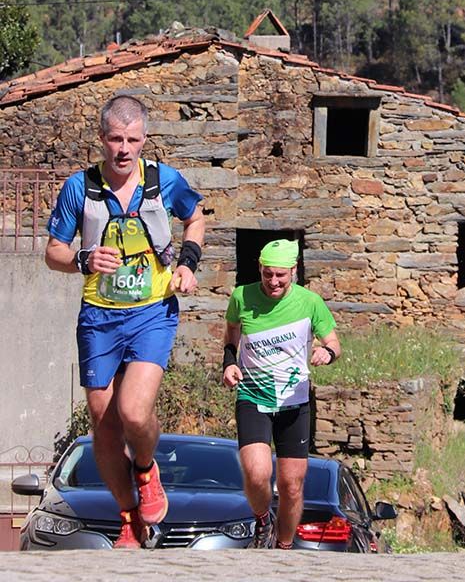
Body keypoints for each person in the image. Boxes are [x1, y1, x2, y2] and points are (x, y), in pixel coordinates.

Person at [44, 95, 205, 548]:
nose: (124, 149)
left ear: (144, 139)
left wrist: (187, 264)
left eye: (132, 140)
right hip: (99, 317)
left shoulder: (163, 180)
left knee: (133, 410)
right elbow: (52, 253)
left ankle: (147, 470)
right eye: (116, 139)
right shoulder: (79, 187)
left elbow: (195, 219)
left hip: (152, 312)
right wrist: (84, 259)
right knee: (104, 423)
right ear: (102, 138)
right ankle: (130, 517)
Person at [222, 239, 341, 549]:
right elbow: (232, 332)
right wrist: (229, 362)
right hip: (253, 395)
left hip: (294, 401)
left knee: (291, 485)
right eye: (267, 274)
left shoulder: (310, 302)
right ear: (260, 269)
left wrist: (327, 352)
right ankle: (263, 522)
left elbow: (334, 343)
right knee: (257, 472)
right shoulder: (241, 296)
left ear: (294, 271)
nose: (273, 282)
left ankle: (284, 546)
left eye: (280, 276)